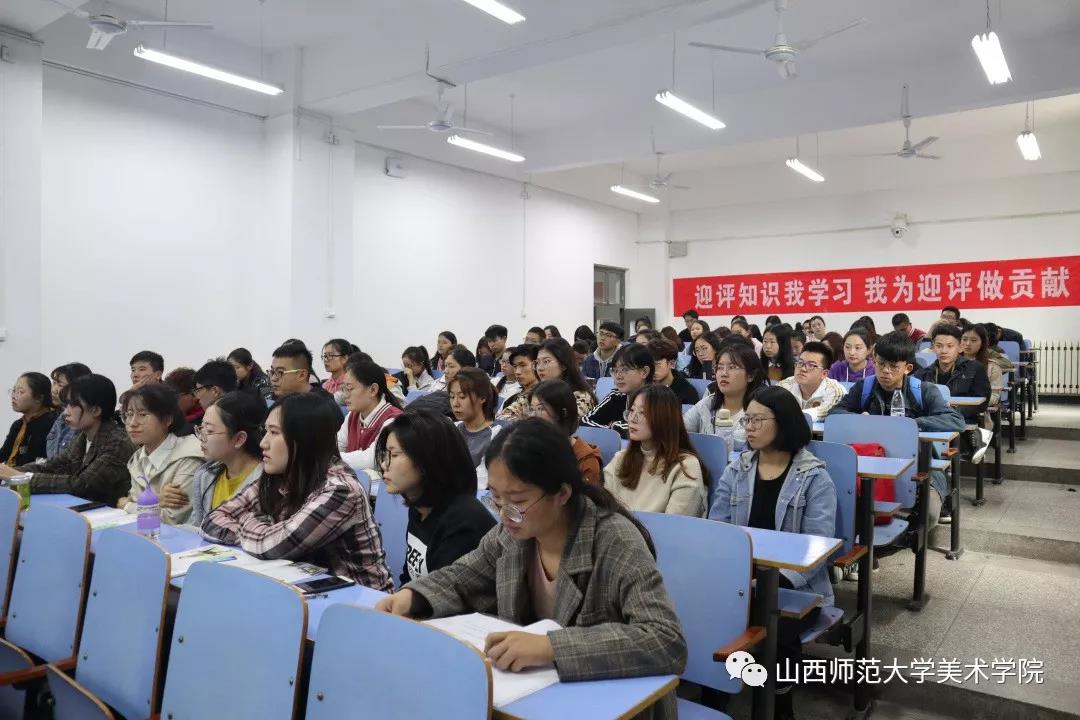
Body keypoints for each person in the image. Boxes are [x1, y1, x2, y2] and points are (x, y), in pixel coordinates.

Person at [374, 418, 687, 718]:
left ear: (562, 493)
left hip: (612, 705)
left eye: (518, 501)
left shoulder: (614, 540)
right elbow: (464, 576)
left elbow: (665, 640)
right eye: (496, 498)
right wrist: (413, 597)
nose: (504, 514)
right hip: (534, 697)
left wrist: (551, 647)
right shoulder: (512, 534)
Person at [709, 386, 837, 720]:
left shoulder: (815, 478)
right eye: (747, 420)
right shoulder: (737, 470)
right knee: (706, 611)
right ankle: (713, 697)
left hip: (796, 587)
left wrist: (769, 583)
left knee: (775, 624)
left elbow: (817, 549)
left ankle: (780, 703)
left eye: (757, 420)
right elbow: (718, 530)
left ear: (783, 423)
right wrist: (738, 579)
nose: (748, 427)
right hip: (741, 580)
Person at [202, 393, 393, 591]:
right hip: (301, 590)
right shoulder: (279, 475)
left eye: (274, 432)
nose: (263, 443)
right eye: (265, 431)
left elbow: (272, 547)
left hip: (360, 601)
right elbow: (213, 520)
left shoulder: (341, 490)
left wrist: (247, 521)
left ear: (303, 439)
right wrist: (260, 531)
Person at [829, 331, 966, 524]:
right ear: (874, 361)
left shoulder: (923, 390)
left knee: (929, 515)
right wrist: (859, 420)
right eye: (880, 363)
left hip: (918, 466)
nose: (885, 371)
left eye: (893, 366)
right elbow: (835, 413)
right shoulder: (864, 388)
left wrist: (912, 425)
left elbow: (956, 420)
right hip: (872, 465)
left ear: (907, 368)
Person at [375, 411, 497, 585]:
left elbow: (445, 594)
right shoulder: (419, 507)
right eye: (385, 455)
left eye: (393, 455)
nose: (383, 464)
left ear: (428, 459)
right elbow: (409, 580)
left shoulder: (463, 521)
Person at [1, 375, 135, 503]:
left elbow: (82, 485)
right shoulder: (83, 436)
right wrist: (11, 472)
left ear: (95, 410)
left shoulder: (117, 442)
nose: (65, 412)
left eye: (73, 405)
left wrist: (20, 477)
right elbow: (52, 466)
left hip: (108, 513)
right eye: (66, 405)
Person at [604, 385, 706, 517]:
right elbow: (604, 512)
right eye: (632, 410)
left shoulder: (686, 467)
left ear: (664, 419)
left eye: (643, 413)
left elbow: (676, 525)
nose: (632, 419)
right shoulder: (620, 458)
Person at [118, 383, 203, 525]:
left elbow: (171, 519)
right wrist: (157, 500)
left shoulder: (189, 457)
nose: (132, 423)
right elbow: (134, 499)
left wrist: (126, 506)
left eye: (142, 415)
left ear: (167, 419)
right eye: (129, 414)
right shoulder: (138, 457)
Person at [186, 391, 266, 527]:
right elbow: (196, 528)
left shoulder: (264, 484)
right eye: (201, 428)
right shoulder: (205, 476)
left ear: (239, 439)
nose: (201, 437)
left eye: (209, 431)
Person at [683, 341, 767, 454]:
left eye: (732, 367)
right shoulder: (708, 403)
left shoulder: (761, 411)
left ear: (750, 375)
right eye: (720, 367)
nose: (724, 373)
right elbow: (681, 431)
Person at [338, 357, 406, 473]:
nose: (345, 395)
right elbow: (336, 446)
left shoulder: (393, 420)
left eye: (349, 388)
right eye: (344, 389)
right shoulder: (352, 416)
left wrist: (329, 458)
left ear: (373, 390)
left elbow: (372, 460)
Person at [529, 379, 601, 485]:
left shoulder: (585, 461)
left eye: (541, 409)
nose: (533, 416)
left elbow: (586, 496)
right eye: (531, 409)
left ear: (563, 413)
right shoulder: (529, 448)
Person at [914, 323, 991, 422]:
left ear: (960, 347)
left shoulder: (975, 368)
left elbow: (982, 402)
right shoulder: (923, 374)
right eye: (939, 346)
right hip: (930, 421)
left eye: (950, 346)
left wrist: (950, 413)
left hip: (962, 422)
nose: (944, 351)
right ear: (933, 347)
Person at [581, 344, 654, 439]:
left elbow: (648, 429)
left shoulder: (659, 399)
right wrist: (613, 428)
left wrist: (614, 426)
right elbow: (584, 421)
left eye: (625, 370)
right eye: (615, 370)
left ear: (644, 372)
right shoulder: (616, 395)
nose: (618, 376)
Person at [450, 367, 502, 489]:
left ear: (482, 398)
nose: (455, 403)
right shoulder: (452, 428)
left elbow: (480, 483)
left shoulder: (496, 434)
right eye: (452, 397)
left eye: (462, 397)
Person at [1, 372, 58, 467]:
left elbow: (34, 461)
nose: (13, 396)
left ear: (39, 397)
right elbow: (3, 454)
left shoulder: (51, 424)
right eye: (14, 391)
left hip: (29, 474)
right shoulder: (18, 424)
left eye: (20, 392)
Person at [778, 342, 848, 420]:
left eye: (811, 365)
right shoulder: (784, 386)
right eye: (800, 363)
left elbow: (825, 412)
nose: (803, 369)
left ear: (824, 374)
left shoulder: (835, 391)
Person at [534, 338, 596, 418]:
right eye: (537, 362)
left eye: (546, 361)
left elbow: (569, 422)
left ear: (563, 365)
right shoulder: (536, 393)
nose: (540, 368)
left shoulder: (581, 397)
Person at [961, 324, 1004, 431]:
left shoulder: (992, 366)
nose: (968, 344)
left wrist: (974, 402)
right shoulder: (951, 364)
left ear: (983, 343)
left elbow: (995, 395)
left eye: (973, 340)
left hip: (977, 410)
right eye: (964, 339)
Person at [46, 362, 92, 458]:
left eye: (60, 385)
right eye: (54, 383)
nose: (53, 390)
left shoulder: (84, 421)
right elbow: (53, 460)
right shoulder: (60, 418)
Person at [647, 339, 699, 406]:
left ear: (672, 363)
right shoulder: (644, 386)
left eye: (657, 365)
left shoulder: (687, 393)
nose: (652, 370)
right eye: (649, 365)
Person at [496, 345, 541, 420]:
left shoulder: (543, 397)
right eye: (515, 366)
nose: (517, 372)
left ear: (536, 365)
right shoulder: (512, 398)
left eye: (523, 365)